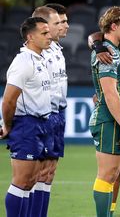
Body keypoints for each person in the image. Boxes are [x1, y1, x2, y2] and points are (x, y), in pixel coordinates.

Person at [2, 16, 52, 217]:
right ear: (30, 37)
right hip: (26, 123)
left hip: (41, 123)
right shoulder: (23, 61)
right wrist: (7, 126)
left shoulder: (40, 59)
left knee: (32, 180)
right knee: (21, 181)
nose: (49, 36)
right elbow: (8, 100)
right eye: (44, 33)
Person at [88, 6, 120, 217]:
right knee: (107, 174)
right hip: (108, 120)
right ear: (113, 26)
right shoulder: (106, 54)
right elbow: (110, 93)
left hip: (112, 119)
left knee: (113, 174)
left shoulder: (113, 50)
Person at [31, 5, 64, 217]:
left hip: (58, 114)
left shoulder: (56, 50)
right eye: (59, 23)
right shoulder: (37, 54)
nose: (64, 26)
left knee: (49, 172)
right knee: (37, 173)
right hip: (43, 116)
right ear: (44, 26)